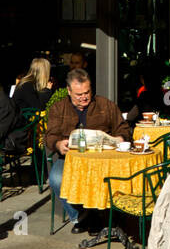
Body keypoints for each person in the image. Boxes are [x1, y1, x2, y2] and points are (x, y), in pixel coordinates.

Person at [44, 69, 131, 233]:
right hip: (70, 159)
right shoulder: (58, 108)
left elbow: (123, 128)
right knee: (56, 179)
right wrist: (58, 144)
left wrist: (120, 138)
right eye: (79, 94)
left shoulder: (105, 104)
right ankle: (82, 216)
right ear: (69, 91)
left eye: (87, 92)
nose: (84, 97)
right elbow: (50, 136)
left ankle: (98, 217)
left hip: (103, 160)